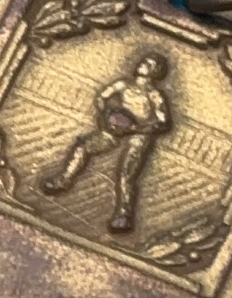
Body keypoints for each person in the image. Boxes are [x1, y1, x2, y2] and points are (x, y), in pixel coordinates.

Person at [39, 52, 171, 234]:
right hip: (115, 128)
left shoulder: (154, 95)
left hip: (139, 135)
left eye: (149, 64)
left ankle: (124, 214)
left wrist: (135, 127)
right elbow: (102, 98)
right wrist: (107, 116)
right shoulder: (123, 85)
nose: (142, 64)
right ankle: (64, 179)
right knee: (84, 146)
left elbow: (163, 123)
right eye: (144, 61)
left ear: (155, 72)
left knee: (126, 174)